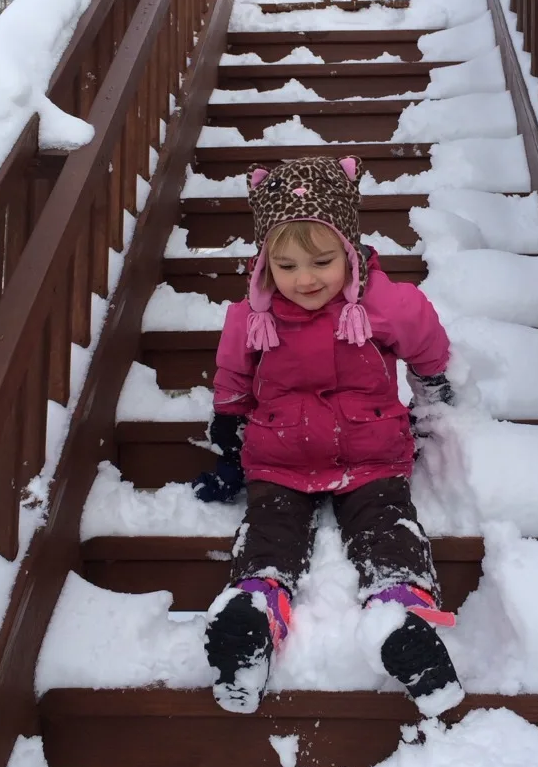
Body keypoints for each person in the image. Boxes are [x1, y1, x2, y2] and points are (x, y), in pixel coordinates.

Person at [192, 154, 463, 717]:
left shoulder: (384, 303)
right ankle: (252, 614)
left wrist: (432, 386)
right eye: (287, 267)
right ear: (267, 263)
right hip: (280, 456)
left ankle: (401, 618)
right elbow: (233, 375)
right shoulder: (251, 315)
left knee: (386, 525)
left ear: (350, 252)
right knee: (270, 531)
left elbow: (424, 340)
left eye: (322, 261)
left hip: (369, 455)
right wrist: (228, 428)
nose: (305, 279)